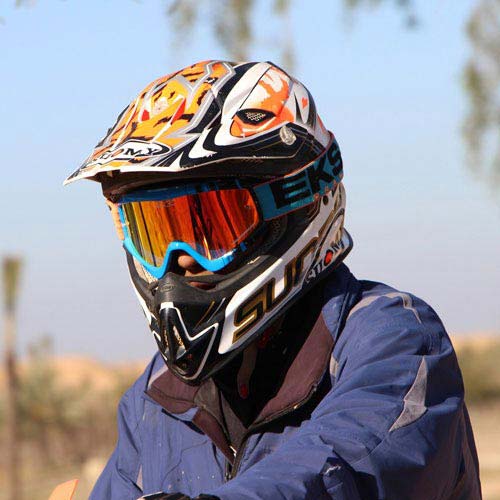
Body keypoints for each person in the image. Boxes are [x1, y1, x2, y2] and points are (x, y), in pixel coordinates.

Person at [65, 60, 482, 500]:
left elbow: (339, 468)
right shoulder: (156, 398)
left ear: (296, 204)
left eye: (211, 227)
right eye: (153, 234)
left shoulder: (392, 339)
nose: (179, 261)